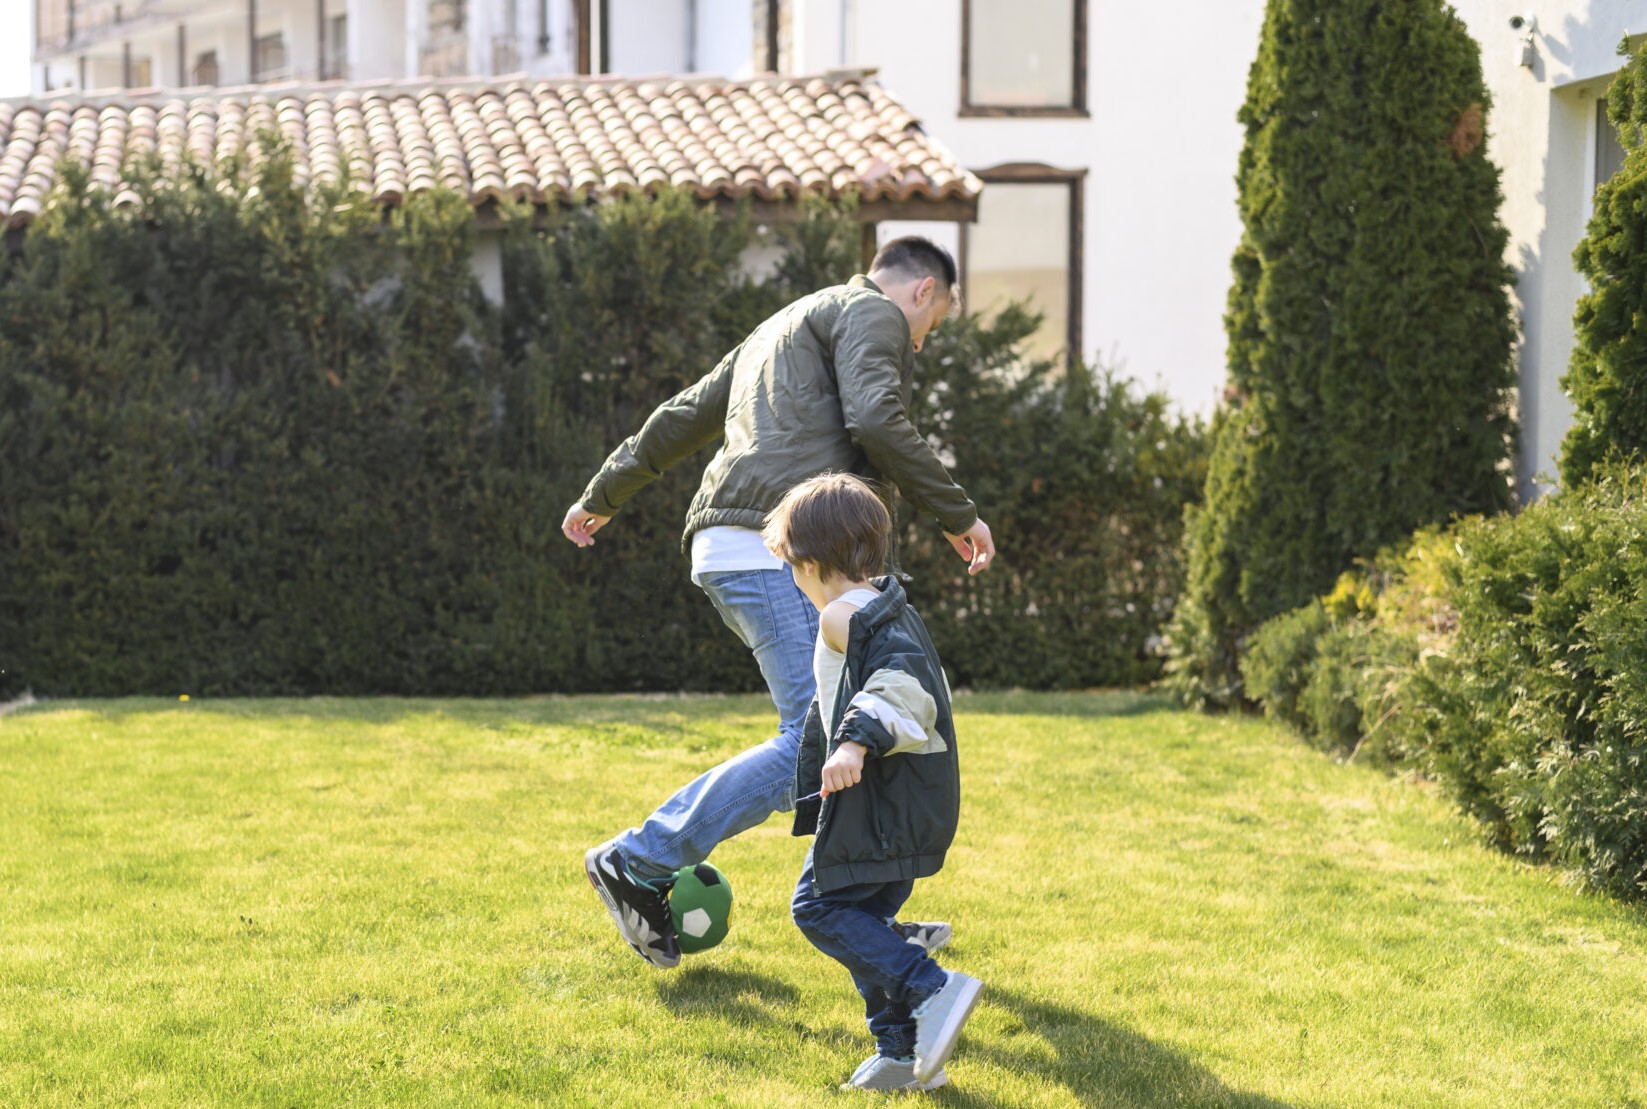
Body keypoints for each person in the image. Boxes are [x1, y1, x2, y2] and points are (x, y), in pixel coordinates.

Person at [564, 236, 996, 969]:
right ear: (923, 291)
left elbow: (681, 414)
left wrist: (603, 493)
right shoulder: (873, 311)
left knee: (861, 731)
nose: (918, 346)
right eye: (931, 328)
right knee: (817, 737)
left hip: (737, 543)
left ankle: (864, 913)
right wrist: (958, 513)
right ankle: (638, 858)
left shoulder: (782, 323)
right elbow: (875, 418)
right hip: (783, 549)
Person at [764, 473, 982, 1092]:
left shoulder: (843, 614)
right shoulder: (887, 603)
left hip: (881, 808)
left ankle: (932, 987)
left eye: (792, 571)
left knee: (817, 907)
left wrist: (856, 741)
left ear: (809, 563)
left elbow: (903, 686)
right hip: (902, 807)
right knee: (858, 922)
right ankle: (901, 1052)